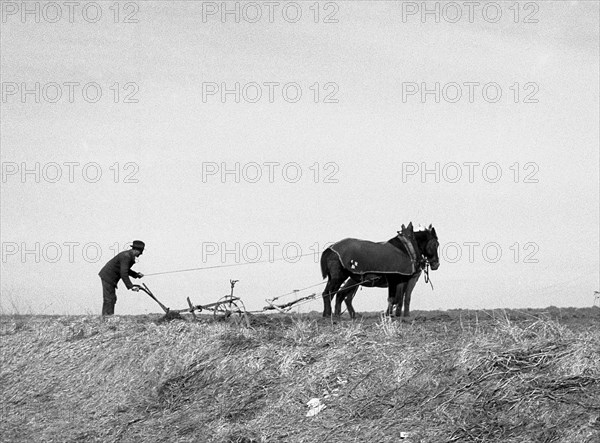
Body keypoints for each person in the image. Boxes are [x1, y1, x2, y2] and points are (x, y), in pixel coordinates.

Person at [98, 240, 145, 316]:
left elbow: (125, 270)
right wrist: (130, 286)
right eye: (140, 251)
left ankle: (108, 316)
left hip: (110, 277)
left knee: (112, 298)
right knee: (109, 298)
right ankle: (107, 317)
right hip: (108, 276)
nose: (141, 254)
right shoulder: (126, 256)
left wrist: (136, 275)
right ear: (136, 250)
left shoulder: (128, 256)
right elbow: (123, 273)